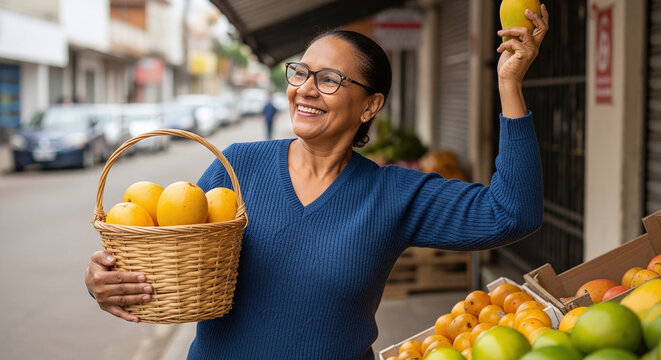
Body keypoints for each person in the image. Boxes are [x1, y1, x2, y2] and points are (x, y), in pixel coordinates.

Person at [85, 6, 549, 359]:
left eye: (328, 79)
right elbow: (166, 255)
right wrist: (103, 280)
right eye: (301, 72)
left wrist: (509, 84)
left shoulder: (393, 194)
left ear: (370, 106)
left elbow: (513, 213)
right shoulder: (238, 169)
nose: (305, 88)